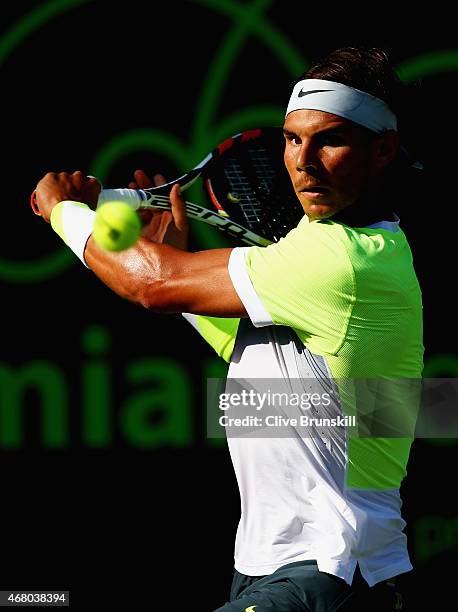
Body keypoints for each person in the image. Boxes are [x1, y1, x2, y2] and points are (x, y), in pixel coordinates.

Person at [34, 47, 423, 611]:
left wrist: (64, 212)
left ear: (381, 150)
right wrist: (178, 268)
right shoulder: (329, 252)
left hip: (330, 570)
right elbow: (262, 354)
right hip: (275, 567)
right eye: (292, 139)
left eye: (329, 140)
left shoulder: (348, 260)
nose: (303, 161)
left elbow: (152, 285)